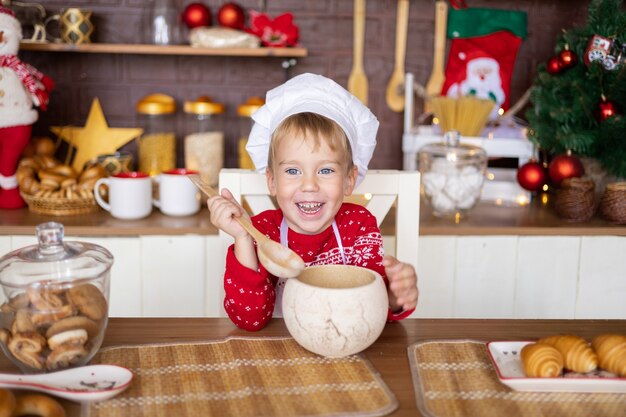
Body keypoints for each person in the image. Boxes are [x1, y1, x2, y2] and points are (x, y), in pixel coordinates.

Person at [208, 73, 419, 331]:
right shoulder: (261, 232)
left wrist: (395, 298)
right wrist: (242, 238)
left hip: (344, 345)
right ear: (272, 180)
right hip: (280, 352)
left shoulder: (359, 226)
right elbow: (250, 320)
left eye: (326, 170)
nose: (309, 185)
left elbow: (373, 308)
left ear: (349, 180)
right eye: (293, 171)